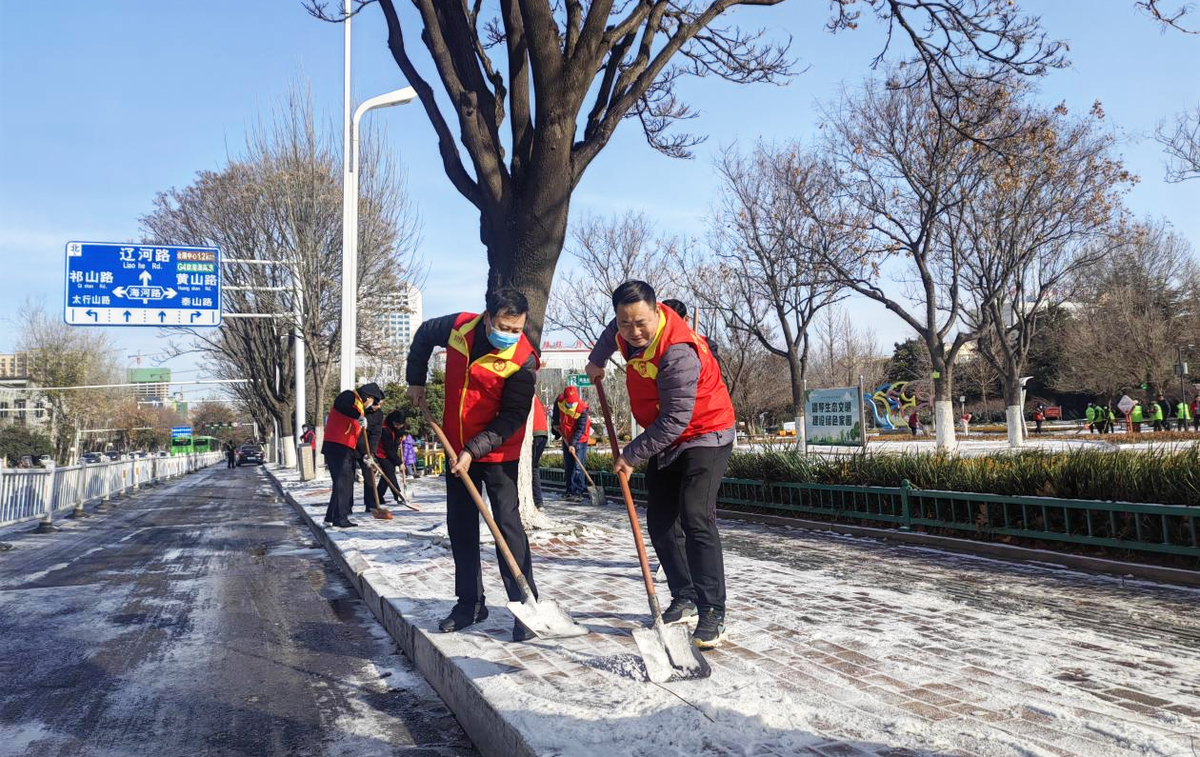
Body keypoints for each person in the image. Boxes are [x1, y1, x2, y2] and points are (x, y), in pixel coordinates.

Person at [585, 280, 736, 649]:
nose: (634, 332)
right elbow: (610, 335)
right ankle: (683, 595)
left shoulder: (677, 351)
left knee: (695, 515)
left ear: (657, 313)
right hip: (668, 435)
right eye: (625, 323)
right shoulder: (623, 331)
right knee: (661, 521)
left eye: (641, 323)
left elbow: (676, 420)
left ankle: (713, 611)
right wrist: (596, 360)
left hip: (706, 431)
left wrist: (631, 455)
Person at [406, 287, 541, 642]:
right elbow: (422, 337)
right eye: (503, 327)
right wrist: (415, 380)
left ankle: (526, 607)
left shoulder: (524, 359)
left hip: (498, 454)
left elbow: (512, 417)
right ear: (487, 317)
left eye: (516, 329)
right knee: (461, 527)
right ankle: (470, 603)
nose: (509, 335)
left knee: (507, 528)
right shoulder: (458, 328)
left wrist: (473, 449)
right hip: (455, 446)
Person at [321, 382, 385, 528]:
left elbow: (361, 438)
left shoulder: (360, 407)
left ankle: (331, 517)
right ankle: (341, 519)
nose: (371, 405)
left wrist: (366, 455)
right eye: (372, 401)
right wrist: (359, 417)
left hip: (346, 449)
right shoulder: (349, 396)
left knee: (342, 483)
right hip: (337, 446)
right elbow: (343, 406)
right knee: (343, 484)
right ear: (368, 397)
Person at [554, 385, 593, 498]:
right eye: (569, 402)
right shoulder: (560, 400)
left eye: (573, 402)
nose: (570, 404)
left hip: (580, 439)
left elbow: (580, 429)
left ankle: (578, 492)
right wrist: (555, 422)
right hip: (566, 436)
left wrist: (573, 444)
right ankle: (569, 491)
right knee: (568, 465)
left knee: (577, 466)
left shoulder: (582, 408)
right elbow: (556, 410)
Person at [358, 401, 389, 516]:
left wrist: (370, 452)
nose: (379, 407)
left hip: (367, 449)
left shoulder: (379, 414)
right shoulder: (361, 409)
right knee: (348, 478)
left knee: (369, 476)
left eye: (381, 404)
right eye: (377, 404)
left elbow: (376, 434)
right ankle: (347, 506)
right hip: (353, 447)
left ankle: (370, 504)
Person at [374, 410, 408, 509]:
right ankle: (399, 495)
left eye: (400, 425)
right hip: (381, 453)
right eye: (396, 424)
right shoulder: (385, 429)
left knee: (386, 477)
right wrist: (399, 462)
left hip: (391, 451)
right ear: (392, 421)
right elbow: (389, 450)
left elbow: (400, 432)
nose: (398, 426)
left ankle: (378, 496)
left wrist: (402, 435)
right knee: (390, 473)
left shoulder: (398, 425)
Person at [530, 395, 549, 509]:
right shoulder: (535, 398)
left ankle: (537, 501)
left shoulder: (522, 392)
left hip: (534, 433)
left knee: (532, 468)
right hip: (543, 433)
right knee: (534, 467)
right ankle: (538, 502)